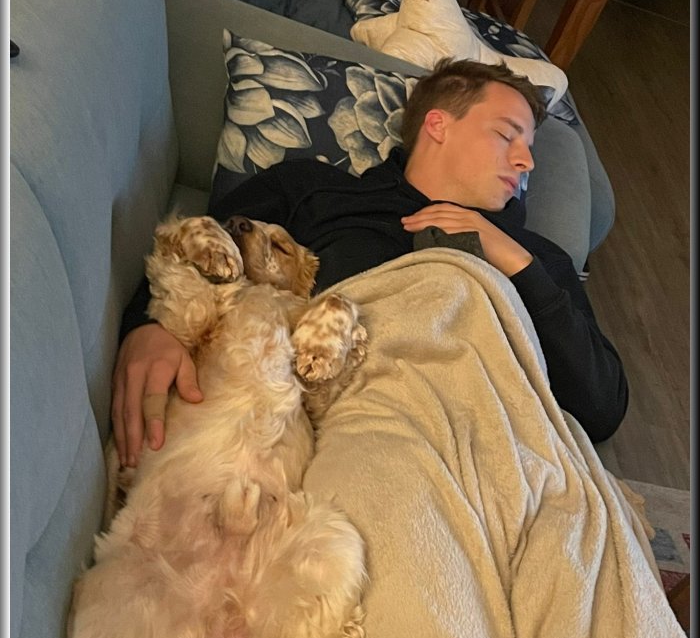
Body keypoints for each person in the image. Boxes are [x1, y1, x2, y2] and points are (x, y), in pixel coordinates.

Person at [112, 58, 628, 468]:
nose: (526, 160)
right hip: (336, 438)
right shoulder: (315, 190)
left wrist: (514, 260)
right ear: (438, 124)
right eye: (506, 134)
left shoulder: (536, 260)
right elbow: (200, 248)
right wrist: (148, 327)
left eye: (529, 146)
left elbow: (602, 407)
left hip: (483, 452)